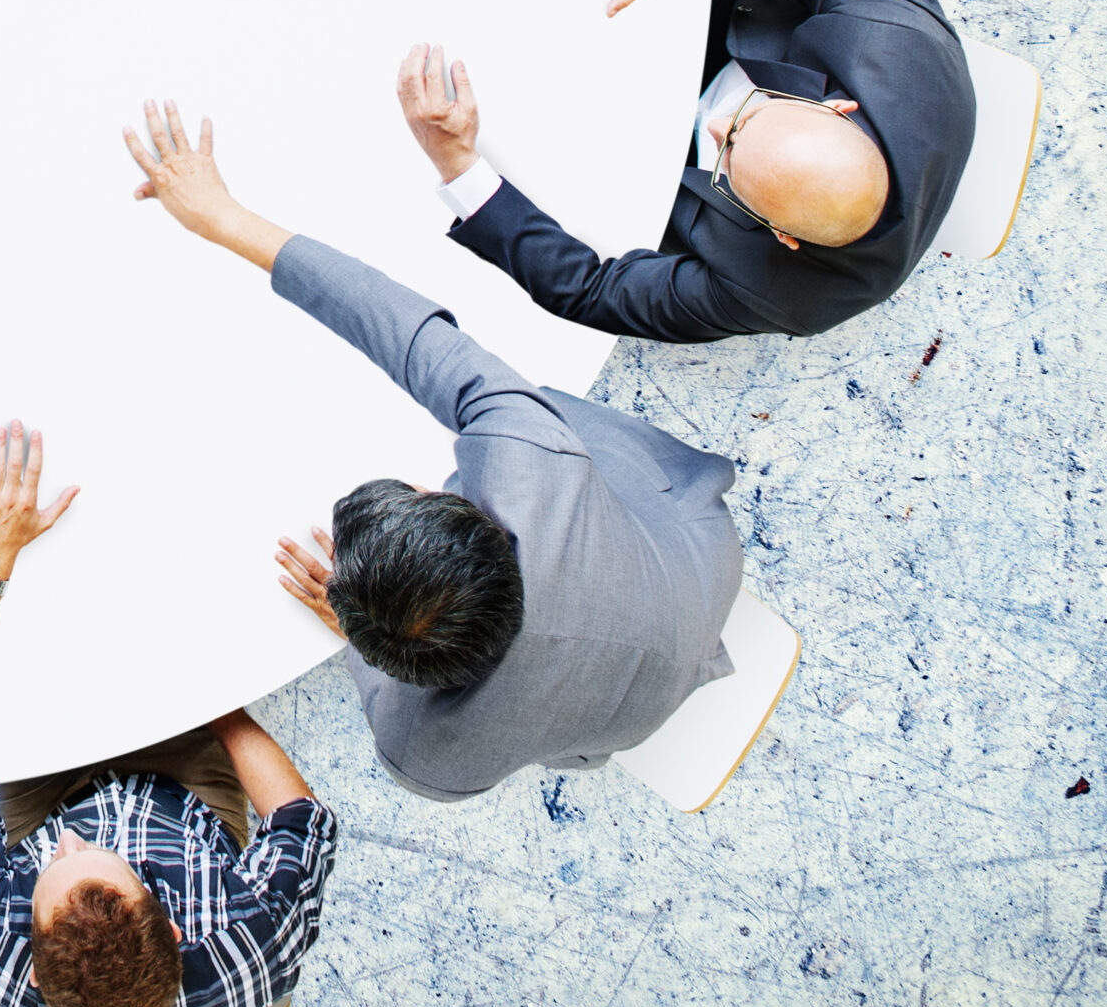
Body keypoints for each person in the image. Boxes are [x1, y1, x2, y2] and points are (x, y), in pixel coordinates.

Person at [122, 100, 747, 802]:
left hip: (638, 696)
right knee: (522, 401)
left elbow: (389, 687)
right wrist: (226, 218)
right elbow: (406, 332)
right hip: (700, 556)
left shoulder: (422, 757)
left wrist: (354, 628)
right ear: (465, 515)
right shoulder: (528, 461)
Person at [0, 421, 338, 1007]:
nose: (73, 843)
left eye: (55, 865)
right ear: (177, 927)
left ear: (31, 949)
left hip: (44, 802)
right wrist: (215, 704)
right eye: (99, 858)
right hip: (184, 800)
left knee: (8, 683)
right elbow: (302, 819)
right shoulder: (255, 936)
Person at [397, 0, 978, 341]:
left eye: (726, 162)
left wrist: (458, 165)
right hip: (702, 19)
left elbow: (589, 292)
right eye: (750, 118)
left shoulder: (790, 296)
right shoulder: (902, 48)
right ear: (838, 108)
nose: (719, 125)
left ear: (782, 236)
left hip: (622, 156)